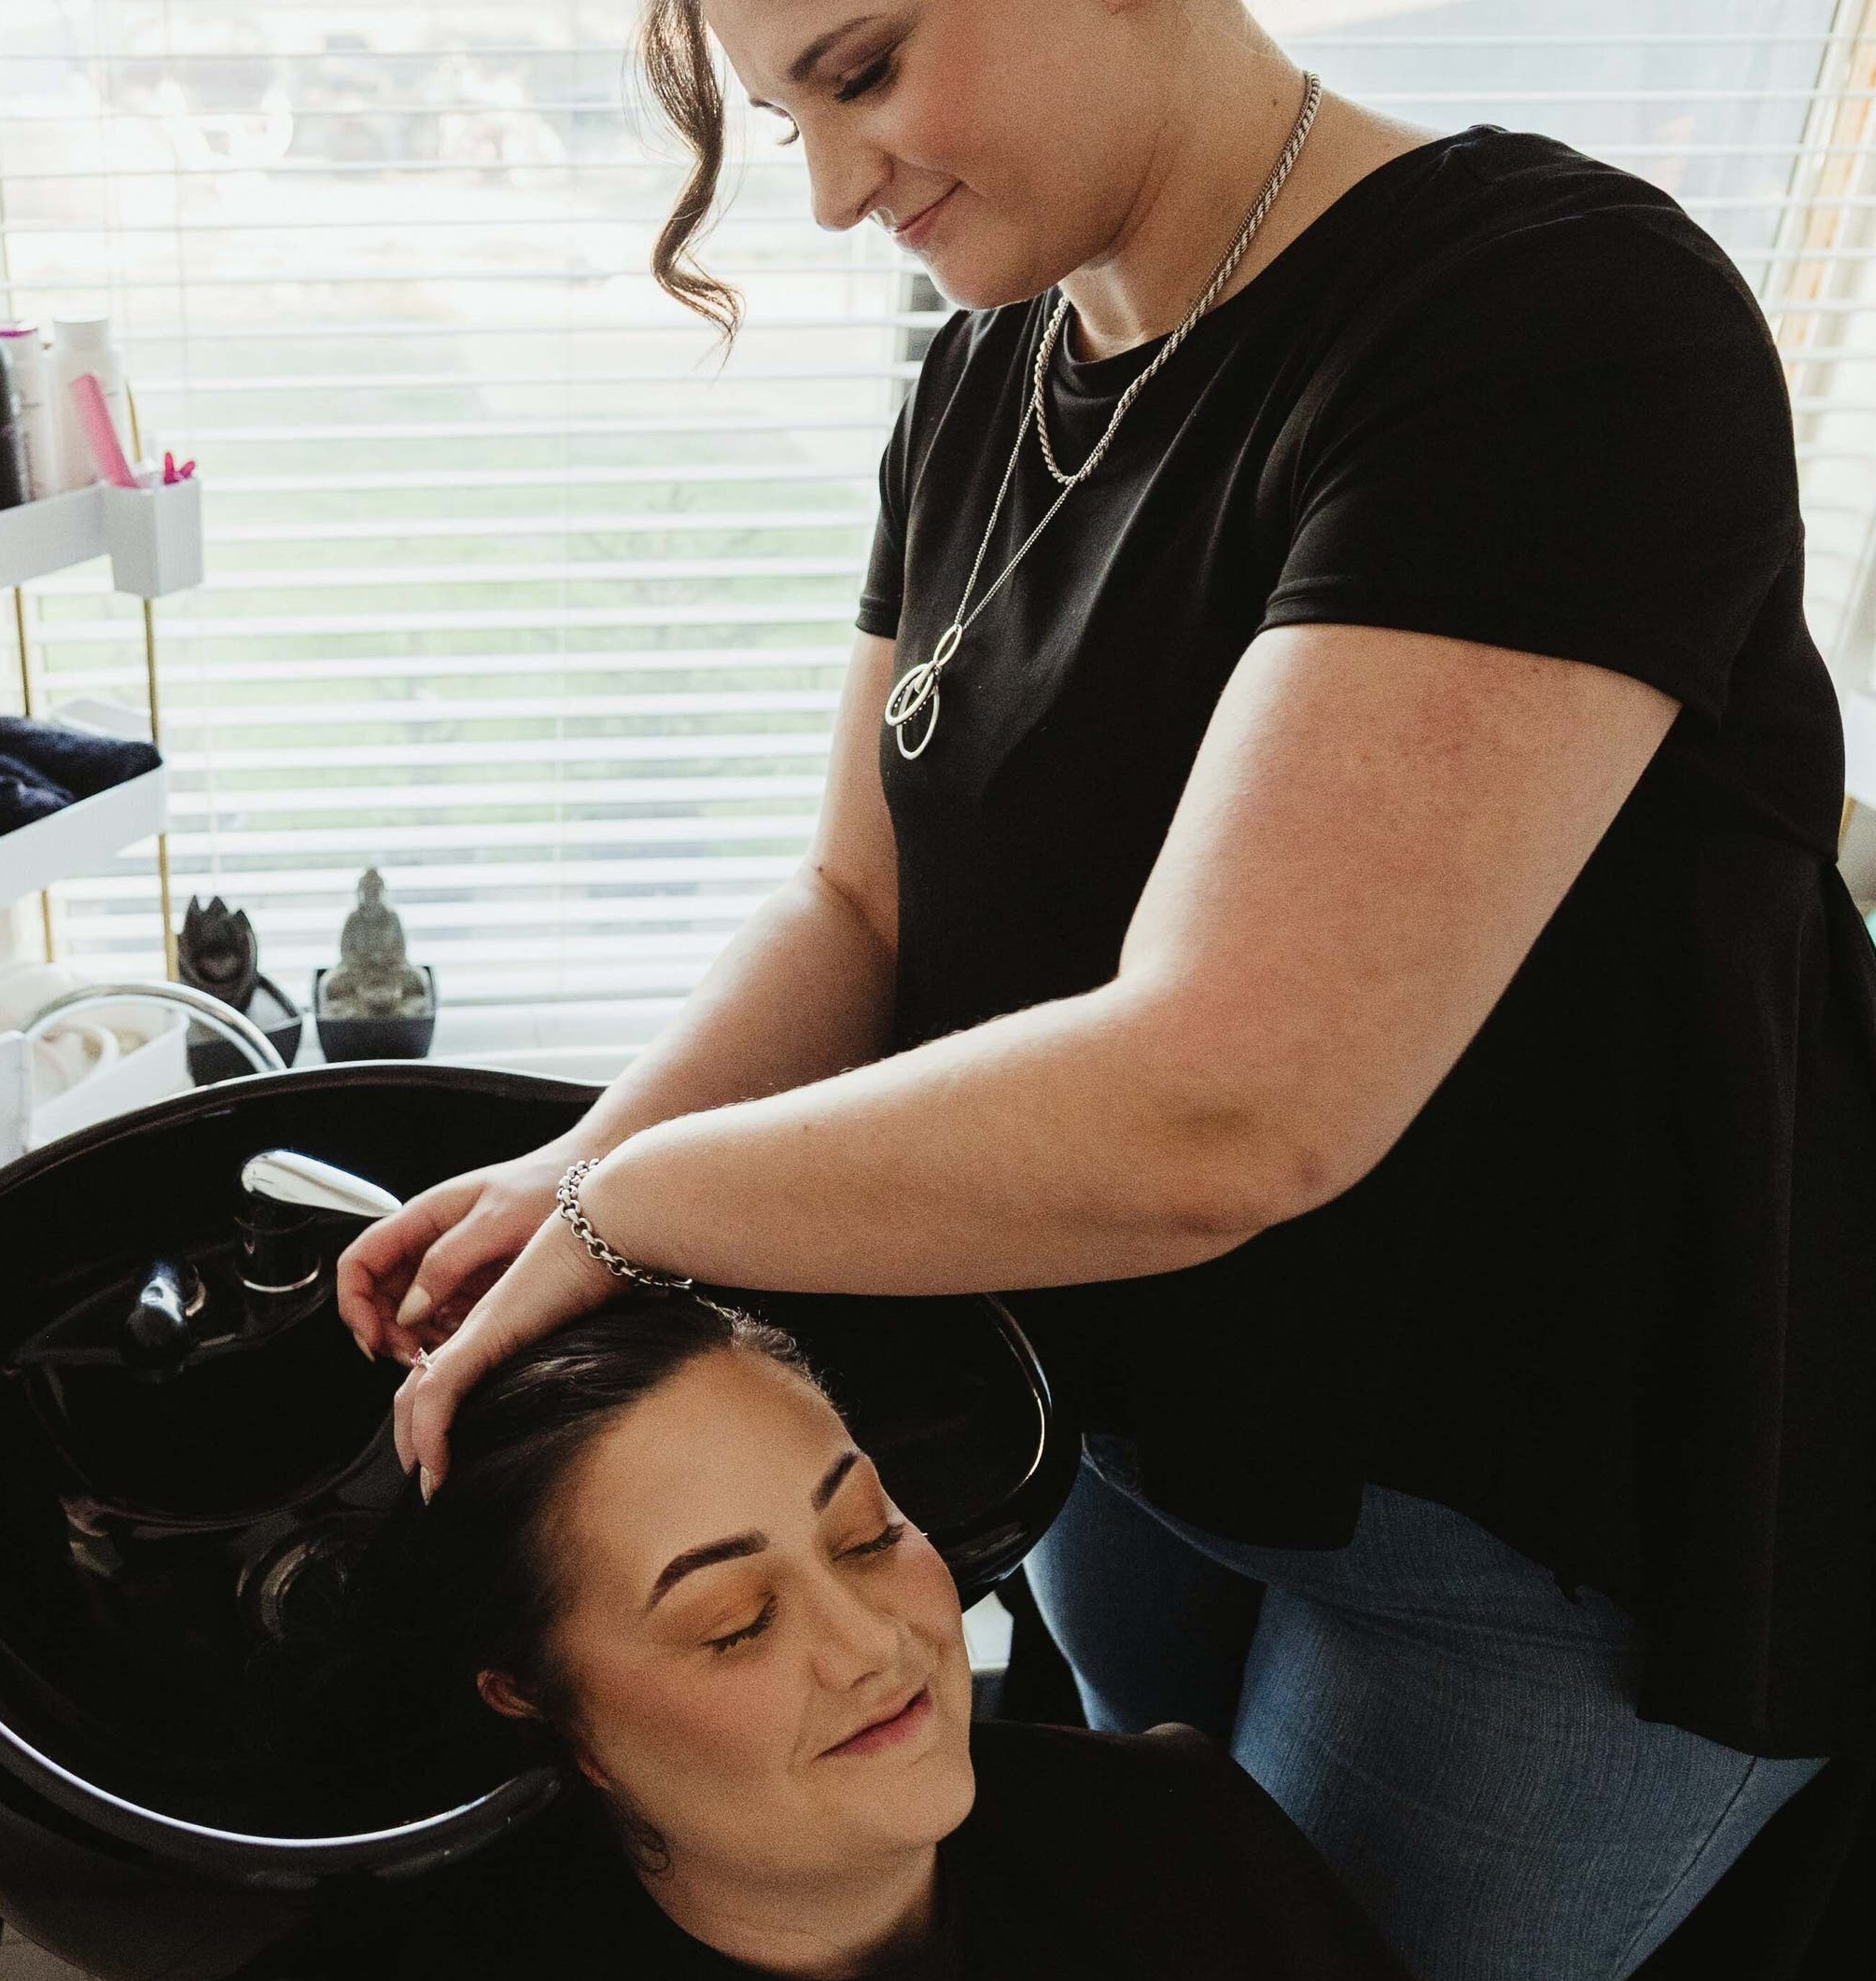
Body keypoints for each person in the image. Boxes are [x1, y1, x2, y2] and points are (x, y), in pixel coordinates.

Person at [336, 4, 1874, 1976]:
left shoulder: (1549, 324)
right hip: (1130, 1429)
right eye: (783, 113)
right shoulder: (992, 359)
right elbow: (857, 907)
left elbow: (1237, 1094)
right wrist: (586, 1153)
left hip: (1532, 1523)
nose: (825, 190)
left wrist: (629, 1208)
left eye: (866, 70)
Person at [323, 1298, 1413, 1979]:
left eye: (867, 1533)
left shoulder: (1183, 1833)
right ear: (549, 1707)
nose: (874, 1642)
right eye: (735, 1623)